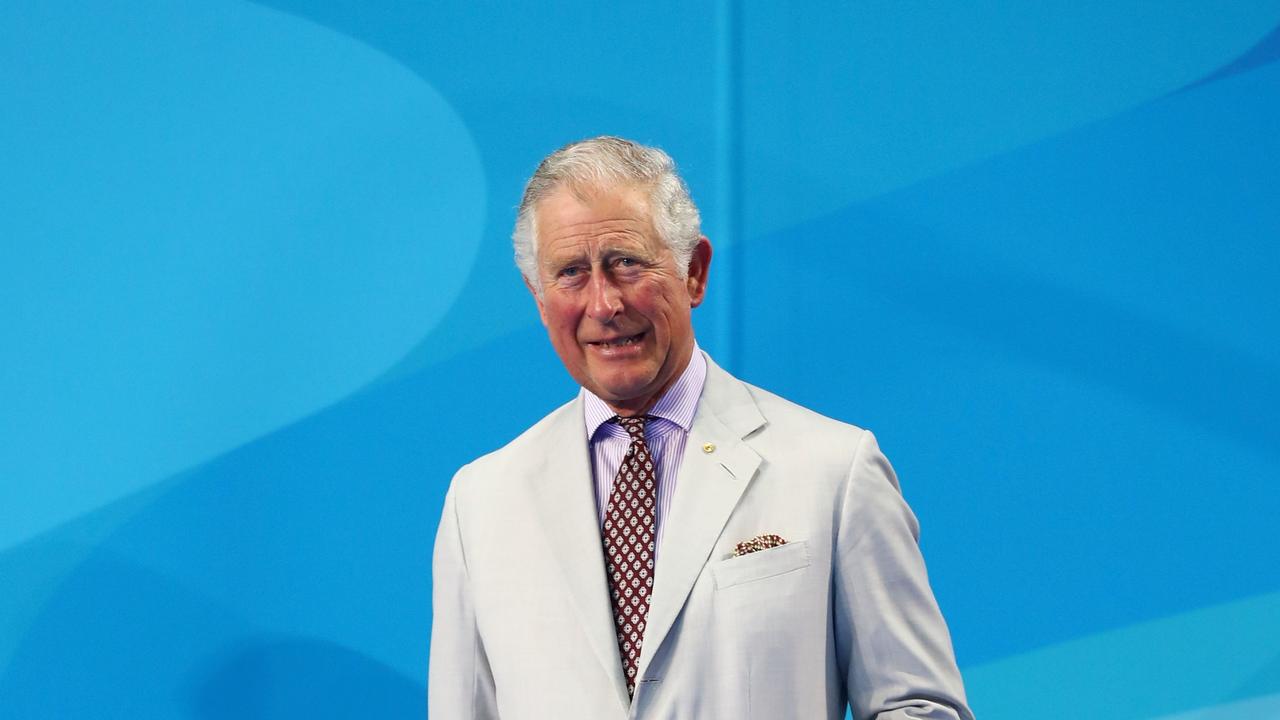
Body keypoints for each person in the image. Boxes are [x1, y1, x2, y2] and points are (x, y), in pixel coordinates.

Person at [429, 136, 974, 719]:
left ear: (694, 271)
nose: (604, 303)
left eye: (626, 263)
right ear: (538, 298)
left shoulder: (835, 471)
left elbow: (919, 707)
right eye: (570, 273)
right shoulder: (480, 503)